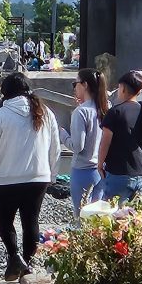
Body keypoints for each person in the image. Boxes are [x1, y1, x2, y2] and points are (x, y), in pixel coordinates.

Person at [0, 73, 60, 281]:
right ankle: (28, 261)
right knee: (31, 220)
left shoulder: (0, 116)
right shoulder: (46, 112)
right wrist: (52, 173)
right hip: (39, 176)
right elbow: (55, 147)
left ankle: (14, 255)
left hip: (8, 177)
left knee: (4, 220)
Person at [98, 71, 142, 203]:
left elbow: (105, 141)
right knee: (134, 215)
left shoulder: (115, 112)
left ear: (123, 88)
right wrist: (141, 156)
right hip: (140, 172)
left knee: (114, 215)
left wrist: (99, 164)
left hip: (118, 173)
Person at [60, 69, 109, 219]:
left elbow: (77, 146)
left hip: (82, 170)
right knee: (98, 216)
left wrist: (62, 133)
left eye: (75, 84)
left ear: (85, 85)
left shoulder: (81, 112)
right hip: (102, 169)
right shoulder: (107, 107)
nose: (74, 88)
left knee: (81, 216)